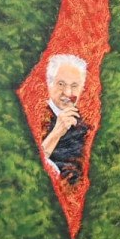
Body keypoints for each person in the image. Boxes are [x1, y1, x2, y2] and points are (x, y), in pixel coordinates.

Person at [41, 54, 91, 184]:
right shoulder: (36, 118)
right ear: (49, 84)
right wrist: (56, 133)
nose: (68, 93)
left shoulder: (86, 125)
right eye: (61, 84)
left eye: (74, 86)